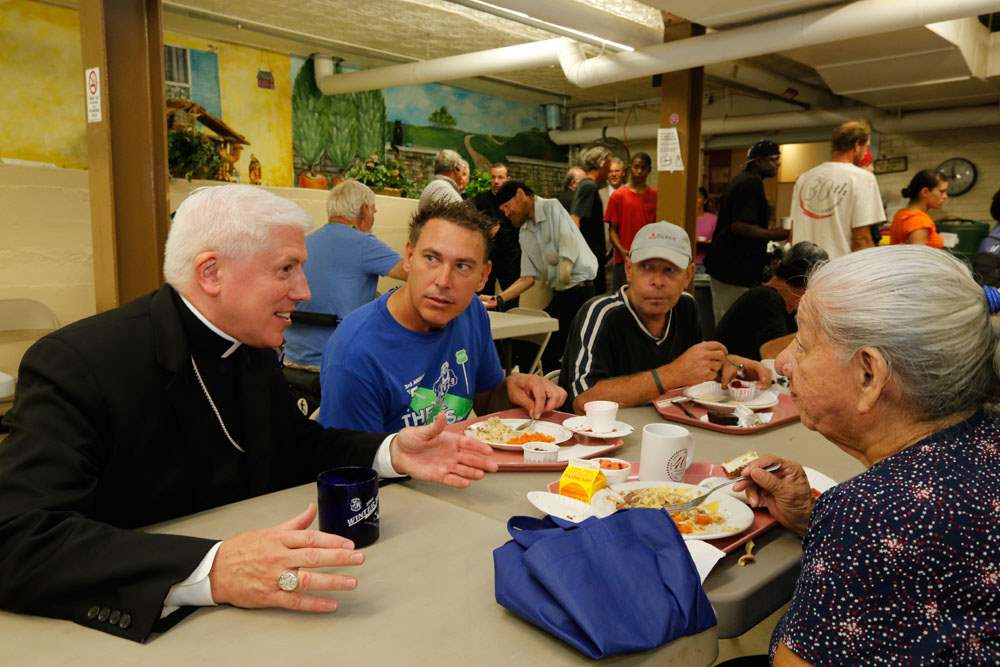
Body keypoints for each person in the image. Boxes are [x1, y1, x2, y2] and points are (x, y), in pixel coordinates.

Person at [0, 185, 499, 642]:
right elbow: (17, 539)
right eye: (286, 269)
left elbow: (295, 445)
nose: (304, 291)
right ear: (211, 273)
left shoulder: (248, 345)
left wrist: (391, 450)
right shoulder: (77, 363)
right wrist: (211, 567)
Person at [729, 245, 999, 665]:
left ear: (869, 374)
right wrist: (809, 518)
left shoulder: (871, 515)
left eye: (801, 342)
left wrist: (844, 526)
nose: (782, 362)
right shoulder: (986, 435)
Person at [318, 200, 566, 432]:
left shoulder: (472, 312)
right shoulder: (356, 352)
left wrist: (512, 388)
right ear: (409, 257)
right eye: (432, 259)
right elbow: (351, 467)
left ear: (483, 275)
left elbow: (486, 401)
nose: (443, 281)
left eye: (462, 266)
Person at [559, 221, 770, 413]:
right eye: (646, 268)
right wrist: (673, 374)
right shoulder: (601, 314)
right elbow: (583, 401)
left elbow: (693, 374)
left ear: (688, 275)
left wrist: (730, 365)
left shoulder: (685, 306)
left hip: (668, 430)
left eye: (669, 270)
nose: (657, 281)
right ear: (629, 269)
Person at [283, 180, 406, 369]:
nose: (374, 216)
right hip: (338, 364)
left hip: (291, 358)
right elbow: (413, 273)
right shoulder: (364, 244)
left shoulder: (304, 242)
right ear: (364, 210)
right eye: (373, 210)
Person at [485, 181, 599, 373]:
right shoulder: (525, 232)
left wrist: (563, 264)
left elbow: (567, 245)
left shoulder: (552, 206)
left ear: (520, 194)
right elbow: (527, 278)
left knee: (551, 347)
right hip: (562, 293)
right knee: (527, 345)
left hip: (581, 291)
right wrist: (498, 299)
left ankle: (557, 389)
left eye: (507, 206)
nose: (506, 213)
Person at [704, 139, 790, 323]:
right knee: (731, 322)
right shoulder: (750, 183)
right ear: (758, 161)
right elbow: (740, 226)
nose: (778, 164)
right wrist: (776, 234)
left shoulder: (746, 181)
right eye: (774, 159)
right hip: (732, 270)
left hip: (732, 269)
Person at [712, 242, 828, 361]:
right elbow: (771, 353)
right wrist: (822, 330)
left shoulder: (780, 303)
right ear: (808, 285)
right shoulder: (767, 298)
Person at [789, 120, 886, 258]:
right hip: (838, 270)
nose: (866, 152)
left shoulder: (804, 179)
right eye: (867, 146)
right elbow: (861, 239)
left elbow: (793, 232)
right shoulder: (862, 178)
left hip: (803, 271)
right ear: (857, 145)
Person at [605, 152, 657, 291]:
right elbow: (612, 231)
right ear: (630, 168)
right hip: (623, 261)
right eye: (636, 167)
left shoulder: (655, 196)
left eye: (643, 168)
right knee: (621, 300)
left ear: (649, 170)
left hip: (648, 258)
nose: (639, 171)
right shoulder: (618, 196)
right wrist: (623, 252)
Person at [473, 162, 520, 307]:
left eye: (500, 177)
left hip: (511, 256)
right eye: (493, 177)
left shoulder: (517, 201)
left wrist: (500, 226)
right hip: (488, 256)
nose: (496, 181)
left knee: (511, 300)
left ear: (508, 179)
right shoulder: (480, 200)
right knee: (483, 296)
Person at [571, 145, 613, 295]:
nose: (609, 173)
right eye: (608, 168)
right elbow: (575, 217)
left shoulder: (587, 185)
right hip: (590, 255)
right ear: (601, 165)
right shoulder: (588, 186)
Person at [888, 169, 949, 247]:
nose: (945, 196)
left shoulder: (902, 213)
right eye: (941, 192)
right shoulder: (919, 221)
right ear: (925, 192)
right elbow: (918, 258)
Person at [694, 186, 717, 269]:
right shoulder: (685, 218)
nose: (695, 199)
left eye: (698, 197)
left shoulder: (713, 219)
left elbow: (717, 241)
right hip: (686, 262)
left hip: (704, 263)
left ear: (705, 201)